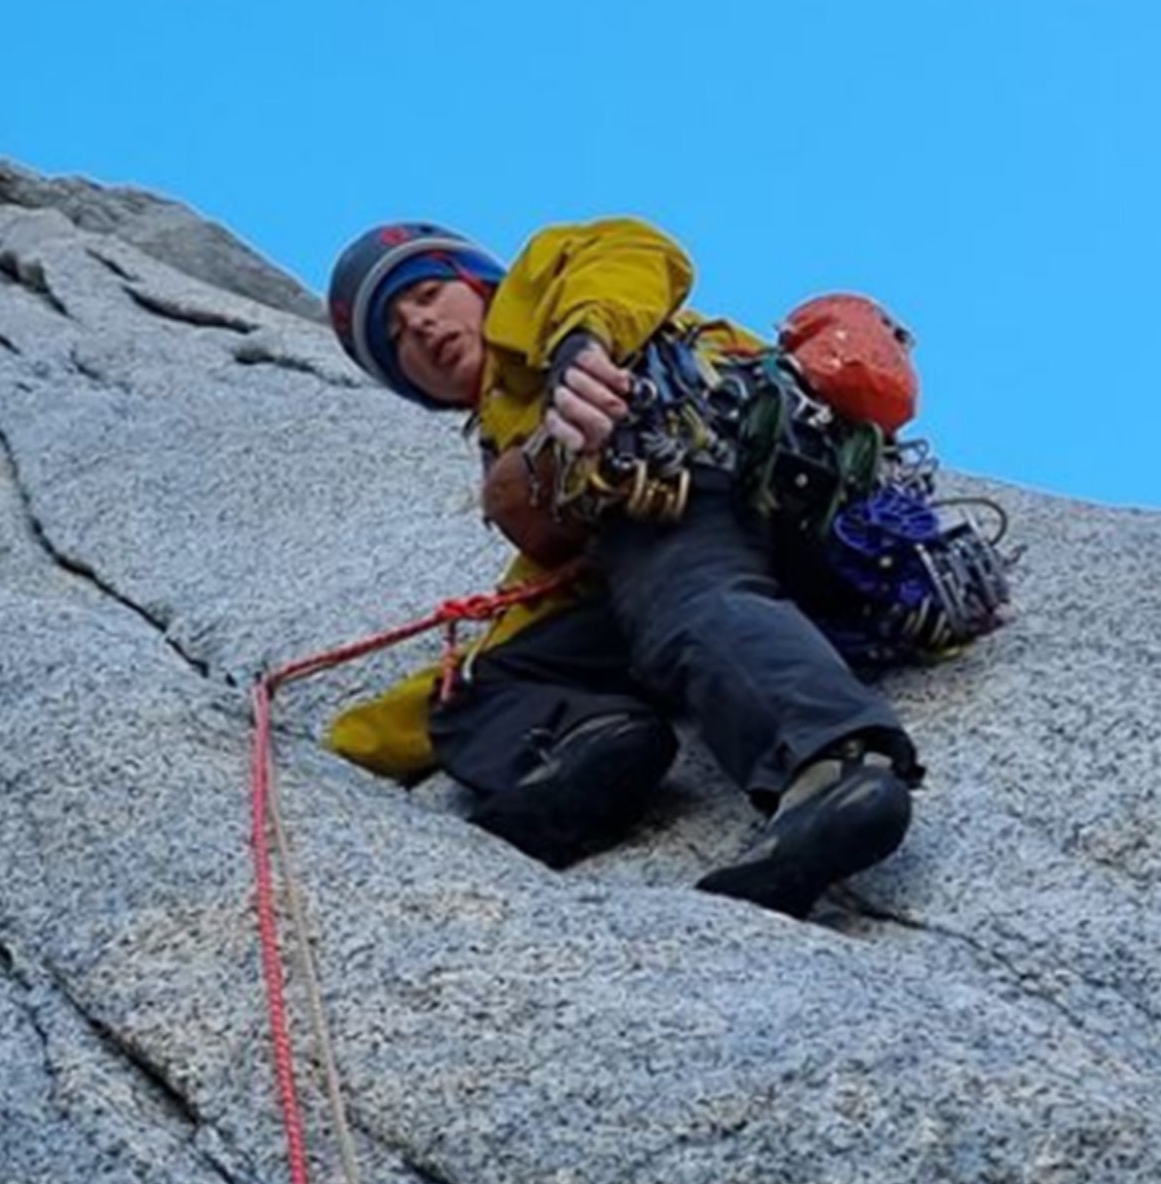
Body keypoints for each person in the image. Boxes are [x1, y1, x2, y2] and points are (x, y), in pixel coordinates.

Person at [323, 217, 921, 918]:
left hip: (721, 481)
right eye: (396, 335)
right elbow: (530, 607)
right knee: (489, 683)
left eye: (426, 294)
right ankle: (595, 744)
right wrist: (348, 742)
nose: (420, 326)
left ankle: (837, 764)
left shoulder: (542, 294)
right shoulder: (508, 431)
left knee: (683, 598)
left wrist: (582, 344)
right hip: (667, 545)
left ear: (476, 283)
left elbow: (634, 250)